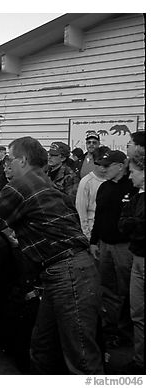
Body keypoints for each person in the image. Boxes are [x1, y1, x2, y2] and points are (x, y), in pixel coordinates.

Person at [0, 136, 104, 374]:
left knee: (82, 357)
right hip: (62, 272)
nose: (7, 164)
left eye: (10, 159)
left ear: (23, 160)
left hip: (68, 273)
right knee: (42, 346)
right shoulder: (46, 183)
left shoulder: (21, 186)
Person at [89, 150, 138, 350]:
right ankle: (110, 330)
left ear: (121, 165)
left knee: (126, 291)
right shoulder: (104, 188)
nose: (103, 169)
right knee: (107, 289)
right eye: (101, 165)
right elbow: (98, 217)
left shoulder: (133, 187)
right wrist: (93, 241)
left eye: (107, 166)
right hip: (104, 244)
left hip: (124, 246)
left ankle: (127, 332)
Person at [117, 148, 145, 374]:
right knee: (138, 313)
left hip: (144, 258)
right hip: (138, 256)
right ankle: (141, 359)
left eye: (134, 172)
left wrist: (135, 223)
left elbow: (133, 225)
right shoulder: (136, 197)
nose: (130, 176)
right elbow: (123, 223)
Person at [75, 146, 110, 239]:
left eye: (106, 164)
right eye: (99, 163)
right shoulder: (86, 182)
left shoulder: (112, 180)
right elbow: (81, 211)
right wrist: (87, 235)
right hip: (92, 232)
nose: (103, 167)